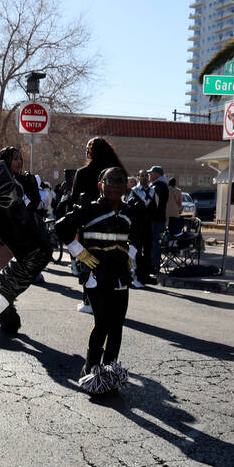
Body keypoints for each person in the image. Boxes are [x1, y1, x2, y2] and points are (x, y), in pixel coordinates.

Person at [55, 165, 137, 394]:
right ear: (100, 185)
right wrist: (79, 252)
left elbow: (143, 233)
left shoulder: (130, 211)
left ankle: (109, 373)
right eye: (110, 180)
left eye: (120, 180)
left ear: (125, 186)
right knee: (102, 323)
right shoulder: (89, 209)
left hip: (120, 275)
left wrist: (131, 254)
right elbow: (61, 227)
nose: (115, 185)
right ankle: (91, 370)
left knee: (117, 325)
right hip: (95, 274)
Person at [0, 146, 53, 335]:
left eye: (20, 158)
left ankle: (4, 315)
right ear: (5, 160)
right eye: (15, 158)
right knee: (9, 274)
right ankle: (1, 314)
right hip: (2, 237)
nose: (19, 162)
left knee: (13, 275)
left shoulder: (23, 180)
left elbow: (33, 207)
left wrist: (31, 187)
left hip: (24, 235)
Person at [126, 170, 154, 286]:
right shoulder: (134, 191)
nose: (144, 178)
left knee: (147, 251)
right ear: (138, 178)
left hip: (148, 225)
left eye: (146, 176)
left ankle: (145, 275)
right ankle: (134, 275)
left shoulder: (153, 191)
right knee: (135, 251)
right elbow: (128, 206)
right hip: (136, 225)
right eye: (141, 176)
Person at [146, 165, 170, 276]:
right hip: (158, 219)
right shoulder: (159, 186)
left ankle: (153, 266)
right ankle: (152, 265)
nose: (149, 175)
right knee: (154, 243)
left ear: (157, 174)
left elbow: (152, 204)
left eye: (151, 173)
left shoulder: (158, 187)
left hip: (155, 220)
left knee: (154, 244)